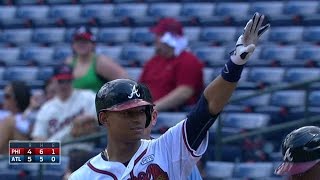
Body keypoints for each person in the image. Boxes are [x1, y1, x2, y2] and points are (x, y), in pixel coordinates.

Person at [69, 13, 270, 179]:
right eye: (127, 113)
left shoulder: (168, 149)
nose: (138, 118)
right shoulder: (83, 176)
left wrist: (234, 65)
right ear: (104, 118)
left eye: (142, 111)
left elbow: (207, 108)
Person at [139, 18, 204, 112]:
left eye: (159, 35)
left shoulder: (188, 60)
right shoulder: (153, 61)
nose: (155, 39)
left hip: (175, 115)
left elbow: (185, 92)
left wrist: (153, 108)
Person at [141, 83, 203, 180]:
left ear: (153, 117)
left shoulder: (176, 158)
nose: (134, 120)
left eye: (140, 113)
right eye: (127, 114)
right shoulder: (110, 165)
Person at [31, 64, 98, 154]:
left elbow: (100, 122)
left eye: (68, 81)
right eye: (61, 81)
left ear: (72, 80)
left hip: (82, 151)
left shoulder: (88, 97)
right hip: (56, 155)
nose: (65, 85)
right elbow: (38, 139)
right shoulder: (46, 108)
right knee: (17, 153)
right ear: (53, 81)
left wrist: (89, 123)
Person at [65, 26, 128, 92]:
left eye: (85, 41)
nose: (81, 44)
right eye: (78, 41)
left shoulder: (101, 62)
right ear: (72, 45)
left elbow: (126, 82)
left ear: (93, 44)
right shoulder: (69, 62)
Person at [0, 81, 31, 154]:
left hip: (20, 157)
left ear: (18, 98)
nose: (4, 99)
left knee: (8, 122)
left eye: (7, 96)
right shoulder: (5, 115)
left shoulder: (29, 116)